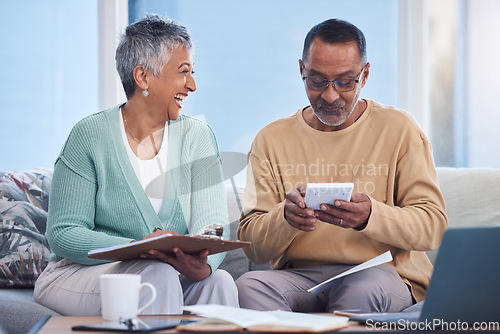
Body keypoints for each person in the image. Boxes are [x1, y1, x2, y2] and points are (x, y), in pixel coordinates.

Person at [236, 18, 447, 313]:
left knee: (360, 290)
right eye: (317, 81)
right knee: (248, 287)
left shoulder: (399, 129)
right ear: (301, 71)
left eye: (345, 82)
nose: (330, 95)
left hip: (379, 273)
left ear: (365, 75)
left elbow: (433, 227)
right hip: (300, 278)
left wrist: (371, 216)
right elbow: (253, 246)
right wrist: (285, 219)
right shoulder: (270, 139)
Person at [34, 14, 238, 315]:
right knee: (157, 275)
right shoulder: (89, 135)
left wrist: (203, 265)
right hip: (79, 274)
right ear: (143, 77)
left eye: (192, 72)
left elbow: (213, 224)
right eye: (183, 72)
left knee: (220, 283)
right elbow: (64, 233)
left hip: (164, 273)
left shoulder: (198, 136)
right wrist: (139, 247)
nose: (192, 85)